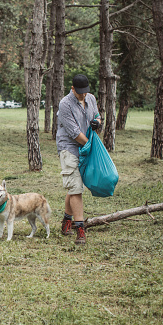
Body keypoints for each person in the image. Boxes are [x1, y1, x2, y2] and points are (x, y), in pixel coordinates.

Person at [56, 74, 101, 245]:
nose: (83, 95)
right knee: (76, 189)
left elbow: (97, 115)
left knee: (73, 185)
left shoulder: (91, 98)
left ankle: (67, 220)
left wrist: (98, 121)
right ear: (73, 88)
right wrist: (92, 146)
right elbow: (74, 133)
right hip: (69, 147)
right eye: (79, 92)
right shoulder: (65, 104)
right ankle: (80, 229)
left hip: (85, 145)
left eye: (85, 92)